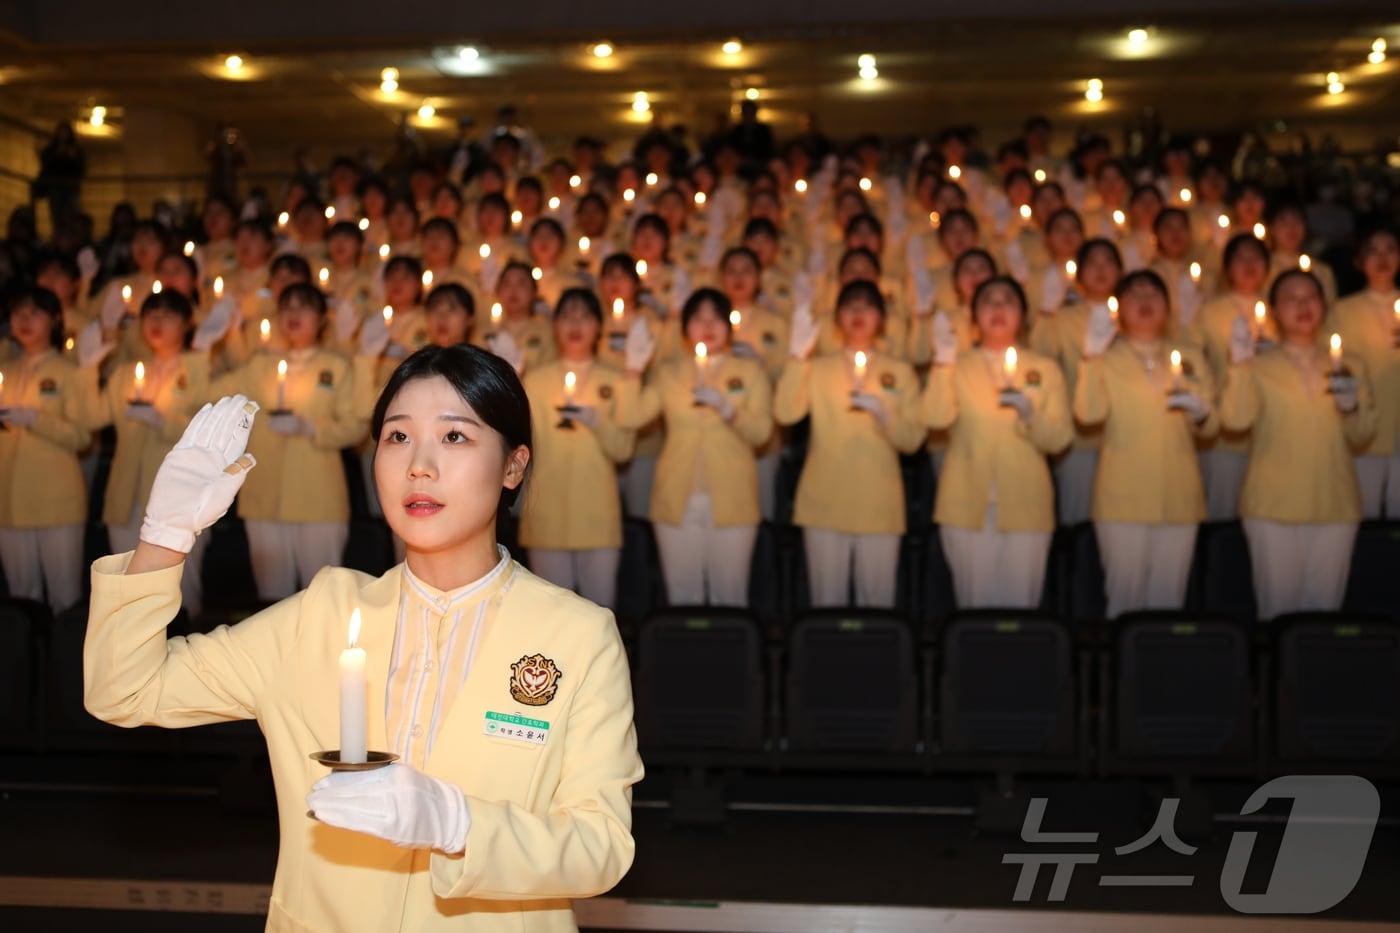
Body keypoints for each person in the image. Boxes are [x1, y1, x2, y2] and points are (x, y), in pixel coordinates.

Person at [83, 343, 643, 932]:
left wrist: (458, 823)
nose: (419, 464)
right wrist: (165, 533)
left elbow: (601, 845)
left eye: (455, 437)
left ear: (513, 466)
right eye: (397, 437)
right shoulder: (318, 617)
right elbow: (125, 691)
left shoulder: (577, 636)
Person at [1221, 270, 1376, 619]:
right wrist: (1239, 366)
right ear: (1274, 310)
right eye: (1291, 298)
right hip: (1273, 504)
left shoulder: (1349, 364)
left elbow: (1363, 434)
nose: (1303, 305)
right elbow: (1235, 420)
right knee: (1278, 613)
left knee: (1325, 614)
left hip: (1334, 502)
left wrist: (1350, 407)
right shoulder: (1259, 365)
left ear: (1323, 306)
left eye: (1311, 297)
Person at [1073, 271, 1216, 618]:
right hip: (1123, 497)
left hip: (1179, 494)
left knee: (1170, 601)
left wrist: (1201, 414)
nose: (1145, 301)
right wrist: (1090, 359)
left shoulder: (1191, 357)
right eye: (1134, 295)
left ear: (1168, 307)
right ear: (1118, 309)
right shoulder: (1106, 357)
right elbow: (1087, 413)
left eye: (1153, 293)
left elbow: (1211, 428)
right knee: (1125, 600)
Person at [211, 283, 367, 600]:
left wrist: (312, 429)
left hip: (318, 501)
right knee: (272, 605)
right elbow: (210, 395)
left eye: (304, 306)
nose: (294, 314)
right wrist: (212, 343)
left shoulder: (336, 366)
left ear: (322, 318)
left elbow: (355, 427)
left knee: (323, 602)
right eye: (287, 307)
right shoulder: (260, 365)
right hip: (264, 500)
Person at [619, 288, 773, 605]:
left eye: (715, 318)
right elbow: (631, 416)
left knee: (729, 595)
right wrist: (633, 370)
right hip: (677, 498)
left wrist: (729, 410)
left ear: (728, 327)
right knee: (682, 596)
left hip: (733, 499)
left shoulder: (749, 371)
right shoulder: (669, 373)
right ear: (685, 328)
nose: (707, 325)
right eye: (698, 318)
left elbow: (762, 433)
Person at [924, 276, 1071, 608]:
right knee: (974, 605)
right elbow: (934, 418)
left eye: (1008, 300)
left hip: (1026, 501)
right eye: (988, 301)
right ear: (974, 319)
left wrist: (1030, 416)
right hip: (965, 501)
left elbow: (1060, 438)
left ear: (1023, 316)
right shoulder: (957, 364)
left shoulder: (1044, 368)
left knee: (1022, 606)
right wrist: (941, 365)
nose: (999, 307)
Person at [775, 280, 925, 607]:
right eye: (850, 306)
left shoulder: (900, 372)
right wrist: (796, 357)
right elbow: (785, 413)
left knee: (878, 601)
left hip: (879, 502)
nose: (858, 312)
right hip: (825, 499)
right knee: (826, 601)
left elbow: (912, 440)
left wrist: (886, 416)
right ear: (837, 318)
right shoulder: (818, 368)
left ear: (882, 319)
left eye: (868, 306)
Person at [76, 290, 213, 615]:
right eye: (150, 314)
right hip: (127, 494)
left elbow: (207, 426)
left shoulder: (196, 369)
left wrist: (164, 422)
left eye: (167, 315)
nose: (156, 321)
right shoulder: (126, 373)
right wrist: (86, 371)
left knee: (181, 587)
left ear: (186, 323)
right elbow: (93, 418)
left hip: (179, 497)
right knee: (127, 591)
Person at [520, 289, 634, 607]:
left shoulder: (616, 379)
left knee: (599, 613)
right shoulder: (534, 380)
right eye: (567, 315)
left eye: (584, 316)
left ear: (599, 327)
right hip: (547, 514)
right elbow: (519, 442)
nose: (575, 323)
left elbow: (623, 450)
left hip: (597, 515)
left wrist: (598, 422)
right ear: (554, 326)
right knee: (550, 620)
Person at [0, 287, 90, 611]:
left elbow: (82, 436)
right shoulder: (6, 371)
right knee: (22, 601)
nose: (24, 320)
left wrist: (35, 419)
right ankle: (28, 663)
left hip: (56, 501)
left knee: (64, 599)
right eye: (18, 313)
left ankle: (65, 663)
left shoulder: (69, 371)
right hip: (9, 502)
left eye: (34, 313)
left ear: (54, 320)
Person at [1193, 233, 1273, 520]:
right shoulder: (1210, 312)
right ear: (1227, 269)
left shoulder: (1282, 308)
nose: (1249, 264)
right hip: (1225, 434)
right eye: (1241, 258)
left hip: (1272, 429)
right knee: (1222, 515)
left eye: (1256, 258)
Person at [1325, 227, 1400, 518]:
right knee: (1361, 514)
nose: (1382, 258)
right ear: (1358, 261)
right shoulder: (1342, 311)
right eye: (1373, 251)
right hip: (1363, 433)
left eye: (1390, 249)